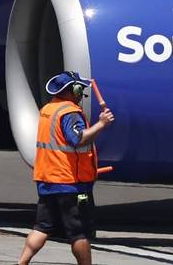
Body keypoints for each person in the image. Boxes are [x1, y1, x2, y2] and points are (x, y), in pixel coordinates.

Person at [17, 71, 115, 265]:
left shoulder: (49, 109)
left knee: (42, 227)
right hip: (70, 183)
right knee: (79, 233)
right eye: (80, 89)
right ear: (73, 90)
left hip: (47, 180)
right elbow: (77, 139)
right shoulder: (70, 113)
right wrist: (101, 124)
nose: (82, 93)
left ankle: (22, 263)